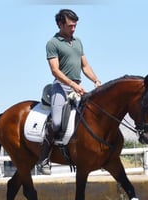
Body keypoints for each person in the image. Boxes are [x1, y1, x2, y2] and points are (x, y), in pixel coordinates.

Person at [36, 9, 101, 175]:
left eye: (75, 26)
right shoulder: (53, 43)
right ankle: (44, 158)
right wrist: (72, 84)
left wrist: (96, 80)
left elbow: (85, 66)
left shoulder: (78, 42)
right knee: (57, 123)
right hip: (61, 88)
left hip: (78, 87)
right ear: (60, 24)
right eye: (70, 26)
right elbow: (55, 70)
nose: (74, 29)